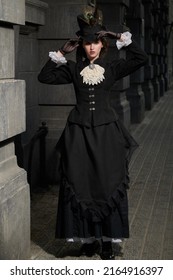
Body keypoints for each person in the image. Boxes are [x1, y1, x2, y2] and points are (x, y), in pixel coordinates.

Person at [38, 4, 148, 260]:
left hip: (107, 136)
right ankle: (86, 240)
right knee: (80, 183)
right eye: (87, 43)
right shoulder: (73, 70)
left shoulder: (112, 70)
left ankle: (107, 242)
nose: (91, 47)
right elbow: (44, 77)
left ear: (103, 45)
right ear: (82, 45)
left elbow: (141, 58)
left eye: (96, 42)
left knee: (107, 184)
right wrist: (60, 53)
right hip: (78, 137)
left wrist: (120, 36)